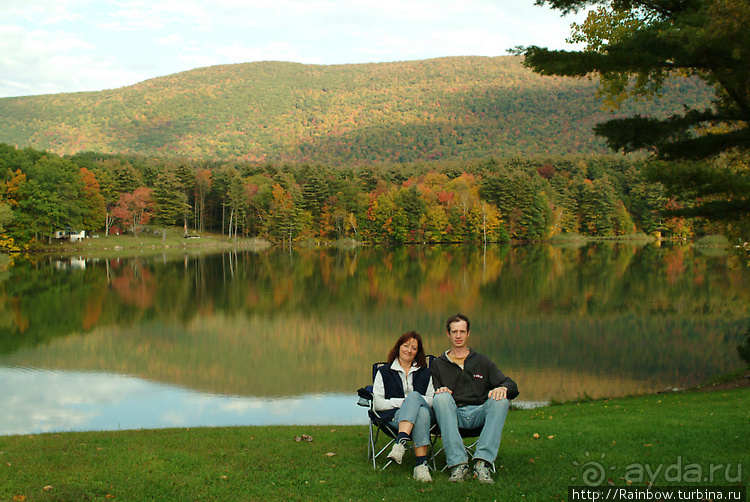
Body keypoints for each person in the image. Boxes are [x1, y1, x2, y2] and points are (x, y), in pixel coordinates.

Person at [431, 314, 518, 484]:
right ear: (448, 334)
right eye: (454, 332)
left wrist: (503, 388)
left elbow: (512, 385)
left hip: (480, 413)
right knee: (440, 398)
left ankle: (482, 464)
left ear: (468, 333)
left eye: (462, 331)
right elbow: (430, 394)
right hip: (453, 414)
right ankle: (458, 465)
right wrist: (439, 392)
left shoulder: (481, 361)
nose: (458, 336)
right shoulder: (438, 364)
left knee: (501, 400)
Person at [372, 331, 435, 482]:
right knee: (421, 412)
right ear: (398, 347)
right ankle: (421, 466)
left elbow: (432, 400)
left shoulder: (426, 373)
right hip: (395, 417)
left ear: (418, 352)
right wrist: (405, 402)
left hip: (425, 414)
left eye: (414, 348)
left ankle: (400, 443)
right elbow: (378, 404)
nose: (409, 350)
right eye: (406, 346)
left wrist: (414, 399)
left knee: (420, 406)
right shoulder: (384, 372)